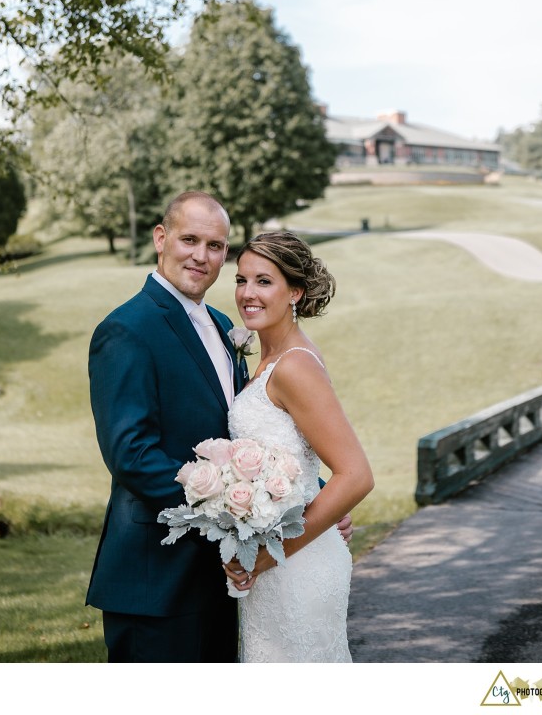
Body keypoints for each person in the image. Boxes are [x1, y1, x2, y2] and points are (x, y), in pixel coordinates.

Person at [86, 191, 352, 663]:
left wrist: (309, 495)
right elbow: (132, 453)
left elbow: (256, 435)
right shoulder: (127, 329)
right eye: (189, 239)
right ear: (161, 238)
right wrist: (228, 511)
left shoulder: (224, 324)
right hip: (157, 578)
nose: (201, 256)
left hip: (226, 576)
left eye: (215, 246)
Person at [225, 231, 374, 662]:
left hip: (295, 563)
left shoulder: (293, 366)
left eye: (263, 281)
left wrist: (269, 556)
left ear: (295, 291)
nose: (247, 294)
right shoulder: (271, 358)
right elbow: (300, 457)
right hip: (274, 559)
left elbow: (357, 474)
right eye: (241, 280)